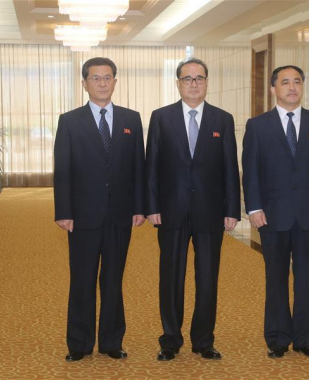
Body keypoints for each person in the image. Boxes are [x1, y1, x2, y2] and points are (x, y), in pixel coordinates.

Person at [242, 65, 309, 359]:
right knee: (275, 278)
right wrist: (254, 207)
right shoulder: (257, 125)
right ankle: (277, 338)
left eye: (297, 82)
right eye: (285, 82)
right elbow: (251, 171)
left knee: (307, 277)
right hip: (272, 214)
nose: (292, 87)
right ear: (273, 89)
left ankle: (306, 338)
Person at [145, 57, 240, 361]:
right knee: (171, 277)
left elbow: (229, 168)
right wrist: (152, 206)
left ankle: (204, 340)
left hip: (210, 212)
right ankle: (170, 339)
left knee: (208, 277)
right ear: (178, 84)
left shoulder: (222, 119)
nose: (194, 84)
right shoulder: (161, 118)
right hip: (170, 211)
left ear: (207, 82)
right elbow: (152, 167)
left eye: (199, 78)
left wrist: (232, 210)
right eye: (188, 79)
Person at [53, 57, 145, 362]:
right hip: (82, 216)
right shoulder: (69, 121)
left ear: (115, 82)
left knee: (113, 280)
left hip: (120, 214)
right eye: (96, 78)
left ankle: (111, 342)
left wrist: (139, 207)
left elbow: (138, 168)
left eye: (108, 78)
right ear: (85, 83)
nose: (102, 83)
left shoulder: (132, 119)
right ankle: (78, 344)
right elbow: (63, 169)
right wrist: (63, 211)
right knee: (82, 279)